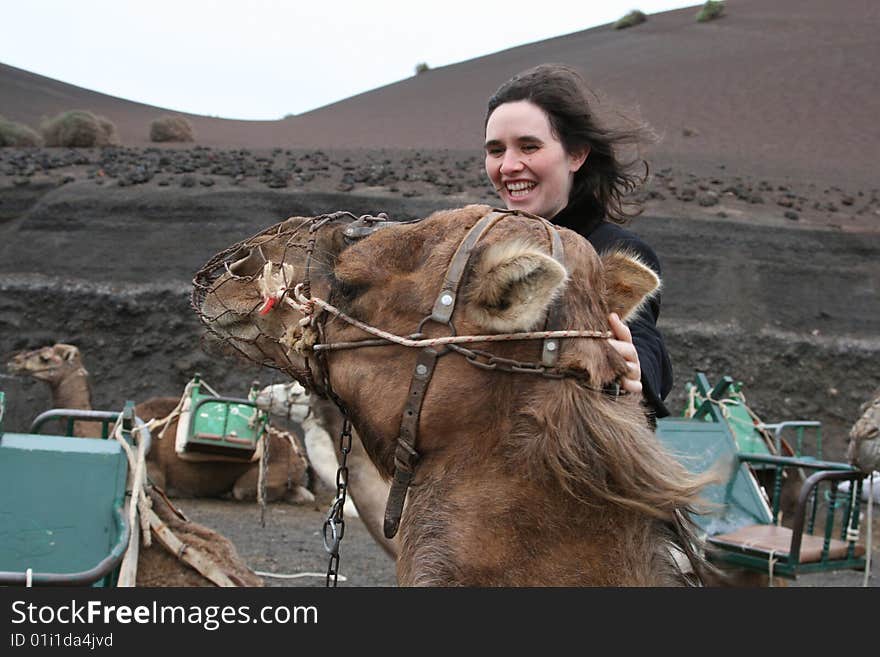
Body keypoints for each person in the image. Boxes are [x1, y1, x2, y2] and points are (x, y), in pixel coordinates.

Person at [483, 63, 672, 421]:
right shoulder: (478, 247)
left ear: (576, 155)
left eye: (528, 146)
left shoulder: (610, 250)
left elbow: (641, 338)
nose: (508, 166)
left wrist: (636, 374)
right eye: (496, 151)